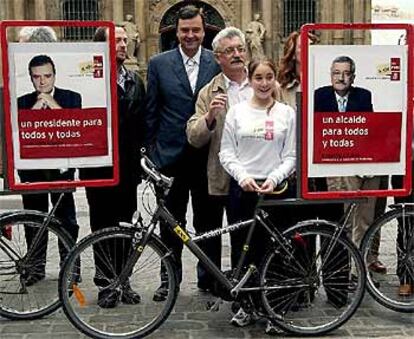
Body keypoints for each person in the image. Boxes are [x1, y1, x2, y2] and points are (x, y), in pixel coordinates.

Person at [145, 4, 220, 301]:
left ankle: (209, 277)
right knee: (170, 223)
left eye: (196, 30)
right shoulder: (158, 63)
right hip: (170, 158)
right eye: (185, 30)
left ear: (204, 32)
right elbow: (151, 112)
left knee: (209, 222)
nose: (190, 35)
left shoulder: (217, 62)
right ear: (176, 32)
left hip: (206, 157)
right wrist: (151, 153)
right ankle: (170, 279)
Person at [219, 59, 296, 332]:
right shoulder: (236, 112)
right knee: (244, 250)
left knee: (275, 252)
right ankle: (246, 306)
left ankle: (275, 310)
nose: (264, 84)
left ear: (275, 80)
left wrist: (275, 178)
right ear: (250, 80)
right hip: (243, 189)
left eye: (269, 77)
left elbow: (291, 156)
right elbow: (226, 152)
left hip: (276, 190)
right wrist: (243, 176)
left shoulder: (287, 113)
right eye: (258, 78)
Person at [79, 26, 146, 308]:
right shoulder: (88, 79)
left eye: (124, 40)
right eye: (116, 39)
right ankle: (106, 282)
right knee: (102, 225)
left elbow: (141, 124)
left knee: (126, 224)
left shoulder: (134, 80)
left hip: (128, 167)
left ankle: (123, 279)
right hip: (99, 166)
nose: (123, 44)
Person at [186, 26, 253, 281]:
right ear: (218, 57)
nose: (237, 54)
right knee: (210, 230)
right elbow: (194, 136)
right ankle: (213, 283)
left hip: (253, 175)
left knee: (245, 236)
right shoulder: (208, 91)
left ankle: (245, 284)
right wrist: (210, 116)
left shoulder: (263, 82)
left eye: (240, 49)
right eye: (230, 50)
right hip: (220, 175)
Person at [16, 30, 80, 286]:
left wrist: (51, 103)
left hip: (61, 164)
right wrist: (35, 108)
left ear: (54, 74)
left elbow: (76, 125)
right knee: (33, 215)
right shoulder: (21, 100)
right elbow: (19, 129)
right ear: (31, 78)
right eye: (36, 77)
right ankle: (35, 266)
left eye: (47, 76)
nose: (42, 82)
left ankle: (70, 265)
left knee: (66, 217)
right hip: (31, 165)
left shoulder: (71, 97)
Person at [314, 56, 384, 272]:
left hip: (360, 162)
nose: (341, 78)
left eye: (346, 73)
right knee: (343, 219)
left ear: (352, 76)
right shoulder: (320, 95)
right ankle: (342, 269)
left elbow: (367, 127)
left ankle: (359, 268)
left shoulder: (363, 95)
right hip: (333, 166)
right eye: (337, 73)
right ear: (330, 75)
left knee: (364, 218)